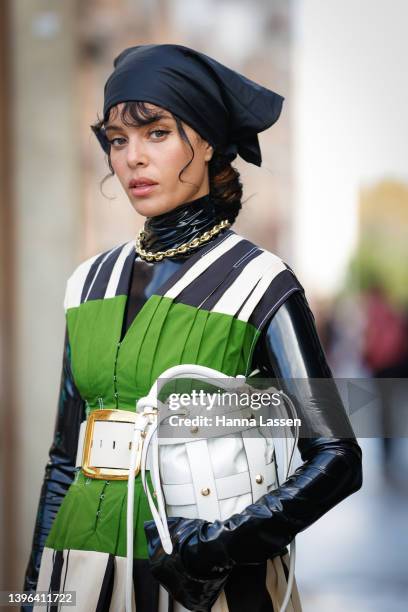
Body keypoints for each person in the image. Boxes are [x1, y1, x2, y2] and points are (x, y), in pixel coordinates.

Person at [23, 44, 363, 612]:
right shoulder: (86, 282)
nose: (132, 157)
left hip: (205, 582)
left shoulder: (263, 282)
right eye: (117, 139)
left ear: (204, 141)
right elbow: (64, 458)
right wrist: (36, 589)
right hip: (77, 567)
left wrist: (218, 550)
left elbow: (337, 455)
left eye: (155, 132)